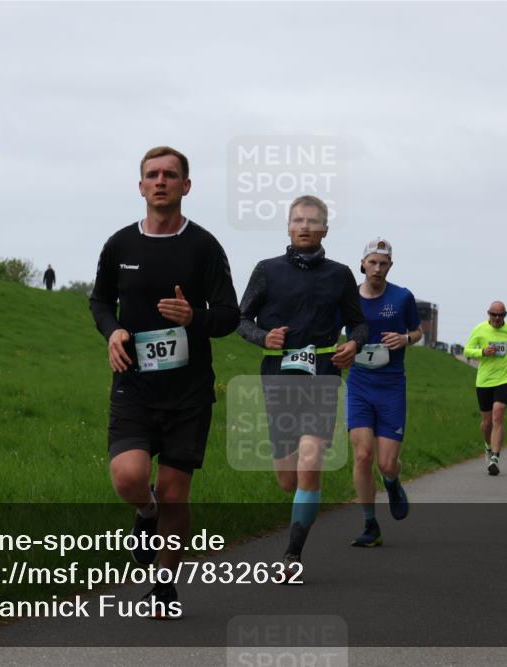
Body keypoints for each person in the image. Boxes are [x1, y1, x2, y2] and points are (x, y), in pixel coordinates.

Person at [89, 146, 240, 615]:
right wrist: (112, 330)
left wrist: (194, 316)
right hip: (134, 382)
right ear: (140, 186)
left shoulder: (205, 247)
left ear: (185, 186)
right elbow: (99, 302)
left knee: (176, 492)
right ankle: (145, 511)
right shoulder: (119, 246)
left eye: (170, 175)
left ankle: (163, 585)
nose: (160, 181)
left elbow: (230, 316)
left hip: (189, 391)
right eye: (152, 175)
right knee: (129, 477)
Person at [238, 195, 366, 580]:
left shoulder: (340, 274)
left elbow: (359, 324)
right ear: (288, 227)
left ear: (325, 229)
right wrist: (264, 338)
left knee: (310, 463)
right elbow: (241, 318)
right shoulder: (267, 270)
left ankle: (292, 556)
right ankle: (304, 499)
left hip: (324, 374)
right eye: (298, 220)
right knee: (288, 477)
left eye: (313, 221)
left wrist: (353, 345)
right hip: (278, 374)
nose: (305, 226)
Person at [345, 238, 423, 547]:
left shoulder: (402, 297)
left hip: (391, 386)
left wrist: (405, 338)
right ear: (362, 263)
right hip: (360, 383)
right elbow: (334, 330)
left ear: (390, 266)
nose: (377, 268)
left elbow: (418, 331)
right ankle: (369, 525)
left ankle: (391, 482)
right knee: (363, 455)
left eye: (383, 263)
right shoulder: (348, 297)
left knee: (387, 463)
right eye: (372, 262)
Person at [463, 301, 507, 475]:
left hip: (504, 378)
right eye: (494, 314)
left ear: (505, 315)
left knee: (498, 415)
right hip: (484, 381)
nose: (497, 318)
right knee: (486, 424)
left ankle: (495, 458)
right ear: (488, 314)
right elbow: (467, 351)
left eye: (501, 315)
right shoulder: (479, 329)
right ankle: (487, 446)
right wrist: (482, 352)